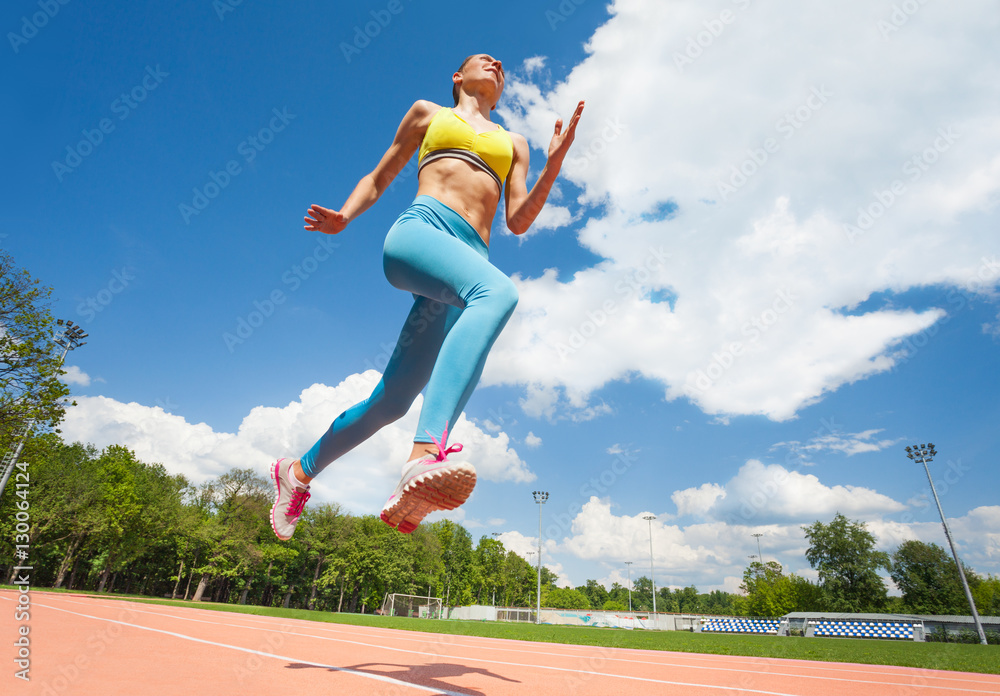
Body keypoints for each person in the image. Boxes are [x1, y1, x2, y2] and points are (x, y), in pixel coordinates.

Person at [270, 54, 585, 540]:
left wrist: (554, 163)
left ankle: (297, 473)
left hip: (465, 268)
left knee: (392, 401)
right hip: (421, 233)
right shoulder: (429, 114)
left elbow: (518, 220)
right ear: (458, 77)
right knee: (497, 293)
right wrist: (345, 217)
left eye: (501, 65)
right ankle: (424, 456)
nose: (496, 63)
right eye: (484, 60)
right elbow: (380, 175)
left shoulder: (514, 143)